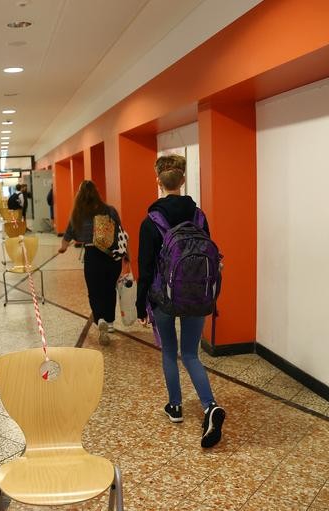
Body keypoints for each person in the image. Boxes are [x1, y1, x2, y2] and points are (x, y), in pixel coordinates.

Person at [136, 155, 225, 448]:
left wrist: (141, 306)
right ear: (183, 180)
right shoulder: (199, 216)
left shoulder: (151, 221)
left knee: (169, 353)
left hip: (164, 298)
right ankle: (210, 406)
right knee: (191, 354)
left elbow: (145, 268)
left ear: (158, 181)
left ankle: (175, 407)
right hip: (197, 296)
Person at [58, 180, 125, 345]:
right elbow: (119, 231)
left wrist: (63, 247)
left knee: (94, 291)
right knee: (109, 289)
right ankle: (109, 323)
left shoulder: (78, 214)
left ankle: (100, 318)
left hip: (92, 255)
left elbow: (68, 234)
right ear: (97, 192)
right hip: (111, 256)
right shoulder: (110, 210)